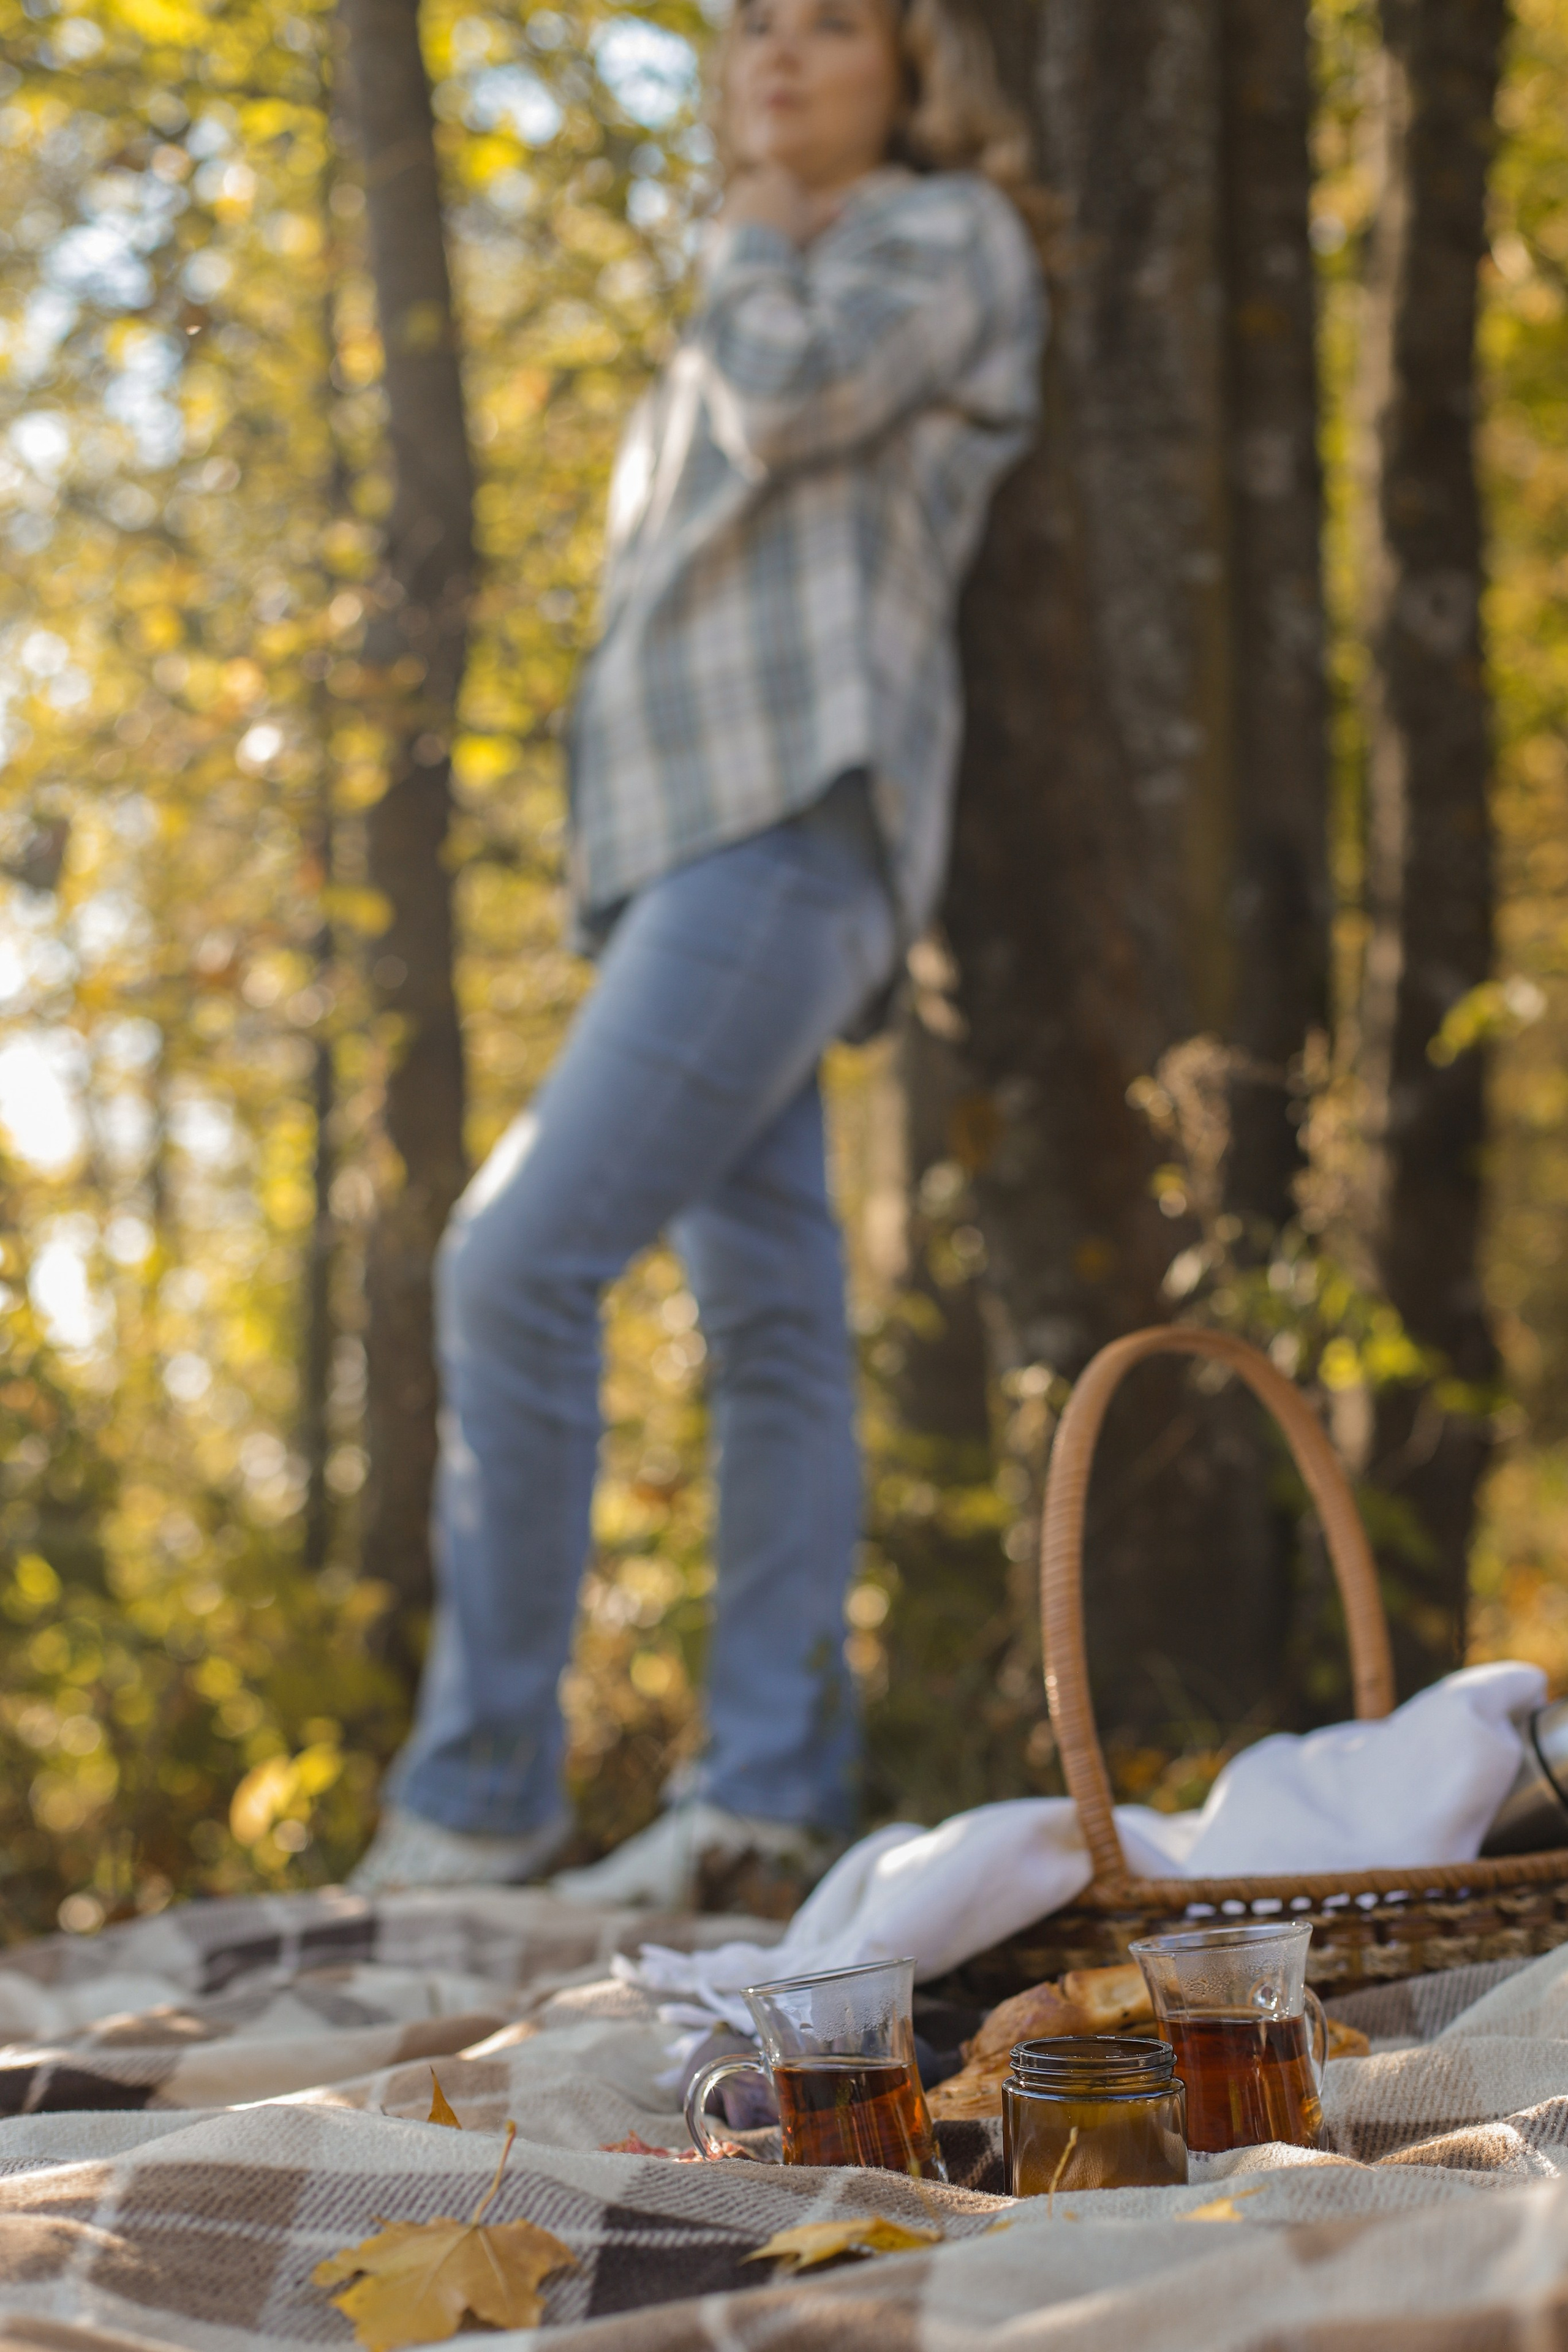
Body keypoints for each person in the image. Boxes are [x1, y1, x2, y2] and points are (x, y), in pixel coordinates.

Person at [349, 0, 1046, 1902]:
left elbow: (803, 401)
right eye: (750, 28)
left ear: (914, 72)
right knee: (772, 1326)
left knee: (512, 1264)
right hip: (689, 857)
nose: (776, 55)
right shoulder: (748, 293)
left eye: (830, 27)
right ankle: (765, 1790)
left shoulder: (928, 241)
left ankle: (478, 1803)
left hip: (791, 823)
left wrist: (744, 231)